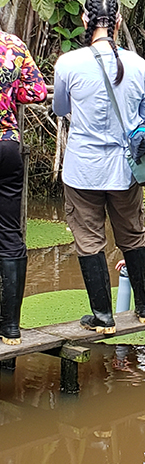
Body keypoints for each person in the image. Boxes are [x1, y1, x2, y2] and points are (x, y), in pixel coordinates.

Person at [53, 0, 145, 334]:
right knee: (133, 235)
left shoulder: (68, 63)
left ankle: (103, 317)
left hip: (83, 167)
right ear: (118, 22)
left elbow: (60, 107)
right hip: (125, 169)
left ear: (85, 21)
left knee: (88, 239)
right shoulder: (140, 66)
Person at [0, 31, 47, 345]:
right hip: (7, 145)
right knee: (9, 232)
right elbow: (39, 92)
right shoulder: (12, 45)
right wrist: (10, 90)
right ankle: (11, 327)